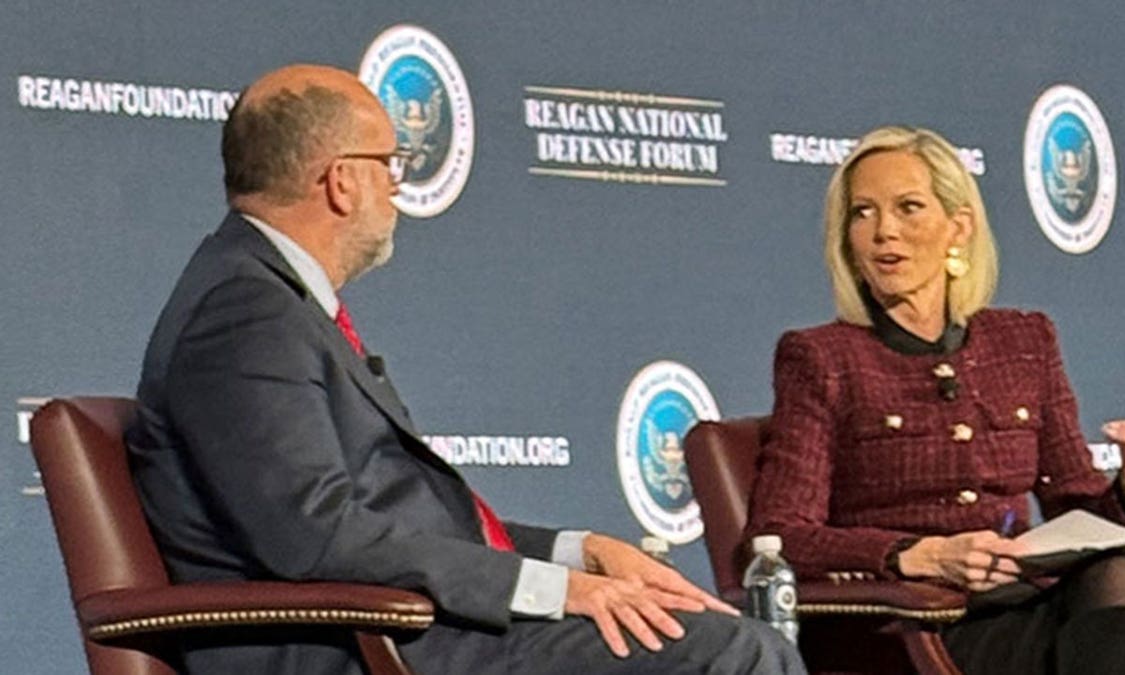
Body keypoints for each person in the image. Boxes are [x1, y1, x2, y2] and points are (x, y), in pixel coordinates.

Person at [126, 63, 805, 675]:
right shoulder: (245, 314)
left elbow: (402, 522)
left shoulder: (269, 298)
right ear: (340, 180)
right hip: (359, 644)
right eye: (389, 164)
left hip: (401, 625)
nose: (395, 187)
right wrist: (554, 589)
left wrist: (577, 551)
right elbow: (318, 535)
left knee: (723, 633)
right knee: (736, 653)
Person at [744, 125, 1125, 674]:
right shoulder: (821, 358)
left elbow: (1073, 505)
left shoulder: (1025, 342)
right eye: (862, 213)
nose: (884, 231)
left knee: (1118, 576)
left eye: (909, 207)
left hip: (1021, 603)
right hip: (907, 625)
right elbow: (780, 536)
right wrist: (913, 554)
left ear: (959, 227)